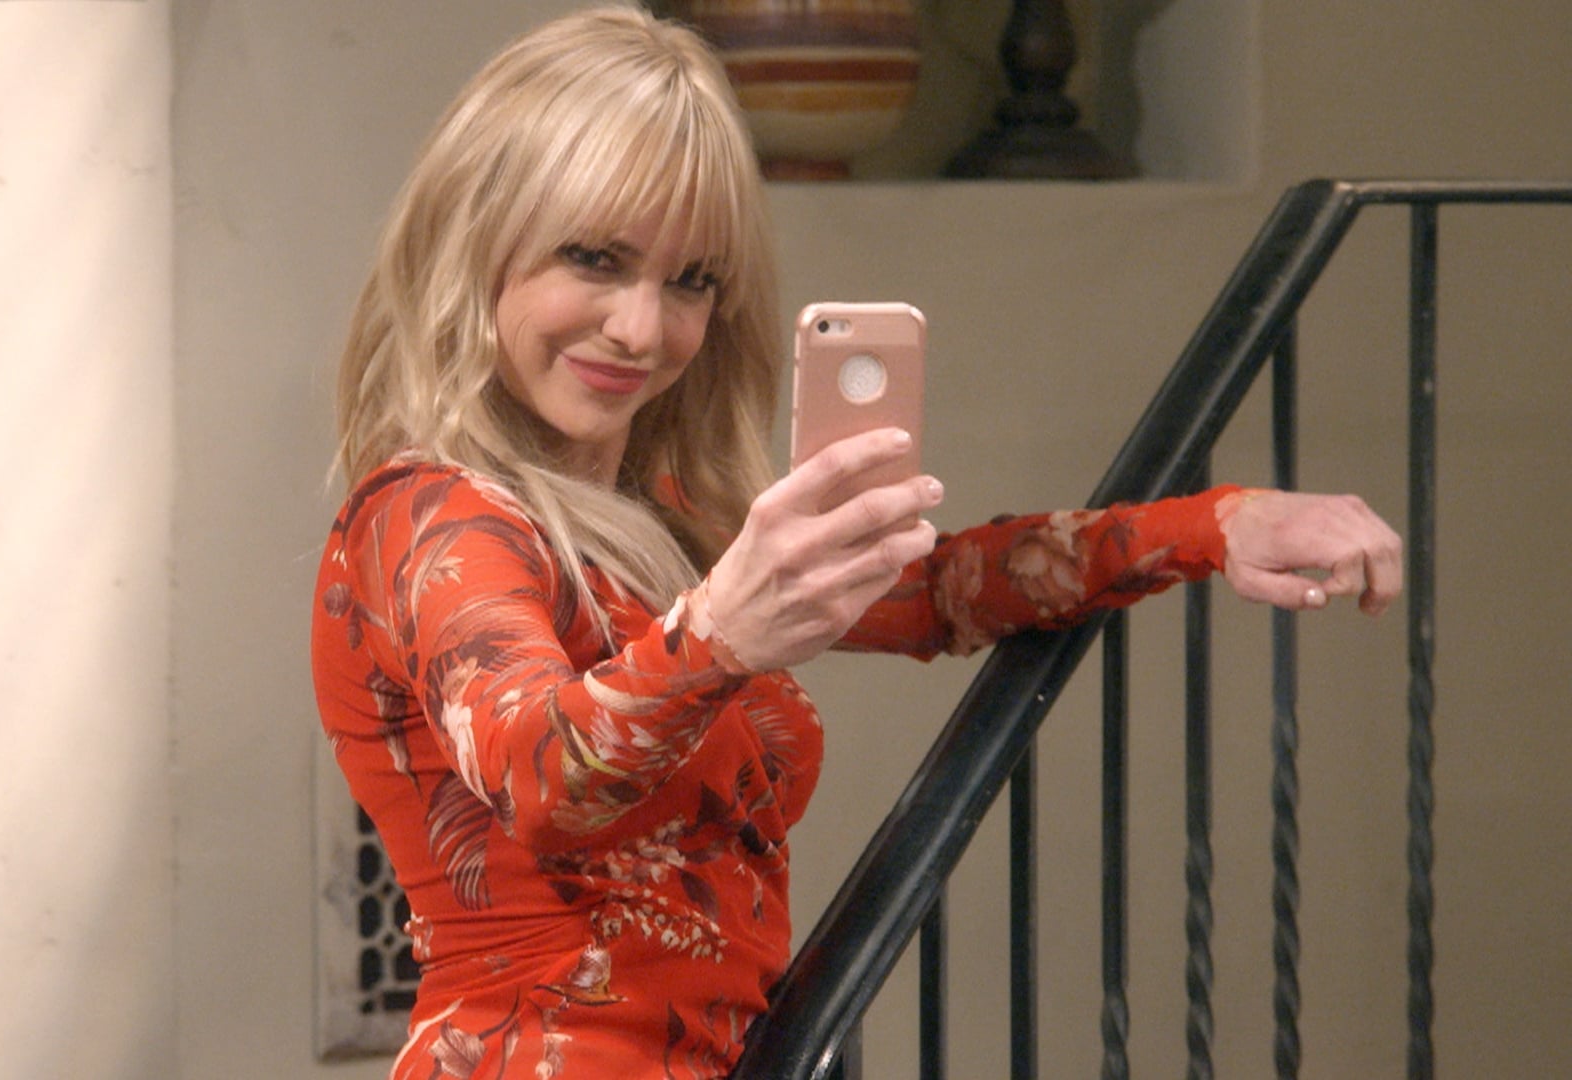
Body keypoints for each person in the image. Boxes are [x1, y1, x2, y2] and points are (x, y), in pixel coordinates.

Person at [310, 6, 1402, 1078]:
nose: (642, 330)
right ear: (477, 244)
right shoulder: (430, 512)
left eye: (690, 280)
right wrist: (721, 634)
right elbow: (540, 776)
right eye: (594, 259)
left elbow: (935, 591)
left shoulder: (656, 518)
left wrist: (1215, 523)